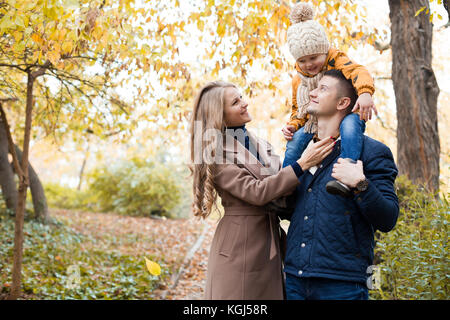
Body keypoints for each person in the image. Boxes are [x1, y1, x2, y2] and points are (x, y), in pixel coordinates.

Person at [189, 81, 335, 299]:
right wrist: (303, 164)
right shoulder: (215, 152)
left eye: (241, 97)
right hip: (240, 244)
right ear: (219, 114)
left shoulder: (257, 142)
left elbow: (281, 184)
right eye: (236, 102)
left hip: (269, 236)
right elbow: (256, 192)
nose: (245, 103)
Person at [283, 69, 399, 300]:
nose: (312, 93)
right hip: (294, 279)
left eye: (323, 88)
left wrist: (360, 183)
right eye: (314, 88)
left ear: (343, 102)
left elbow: (388, 219)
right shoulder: (302, 153)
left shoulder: (372, 153)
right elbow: (286, 210)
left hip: (343, 285)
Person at [281, 2, 377, 198]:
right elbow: (297, 108)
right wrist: (292, 124)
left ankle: (345, 174)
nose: (308, 65)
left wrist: (365, 92)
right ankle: (284, 184)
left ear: (324, 50)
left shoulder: (337, 59)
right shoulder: (299, 79)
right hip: (312, 122)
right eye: (302, 60)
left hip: (347, 111)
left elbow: (357, 71)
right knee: (295, 141)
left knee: (350, 127)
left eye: (314, 57)